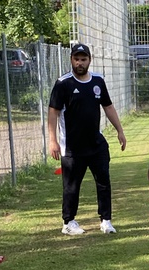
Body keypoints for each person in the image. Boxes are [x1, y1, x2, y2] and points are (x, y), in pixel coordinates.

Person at [48, 43, 127, 235]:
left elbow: (108, 107)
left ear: (89, 60)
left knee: (104, 182)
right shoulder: (63, 83)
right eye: (76, 59)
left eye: (83, 59)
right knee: (71, 186)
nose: (80, 63)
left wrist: (120, 130)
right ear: (71, 60)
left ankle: (106, 221)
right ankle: (68, 222)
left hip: (96, 144)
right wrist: (52, 140)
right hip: (72, 148)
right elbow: (53, 112)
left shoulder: (98, 81)